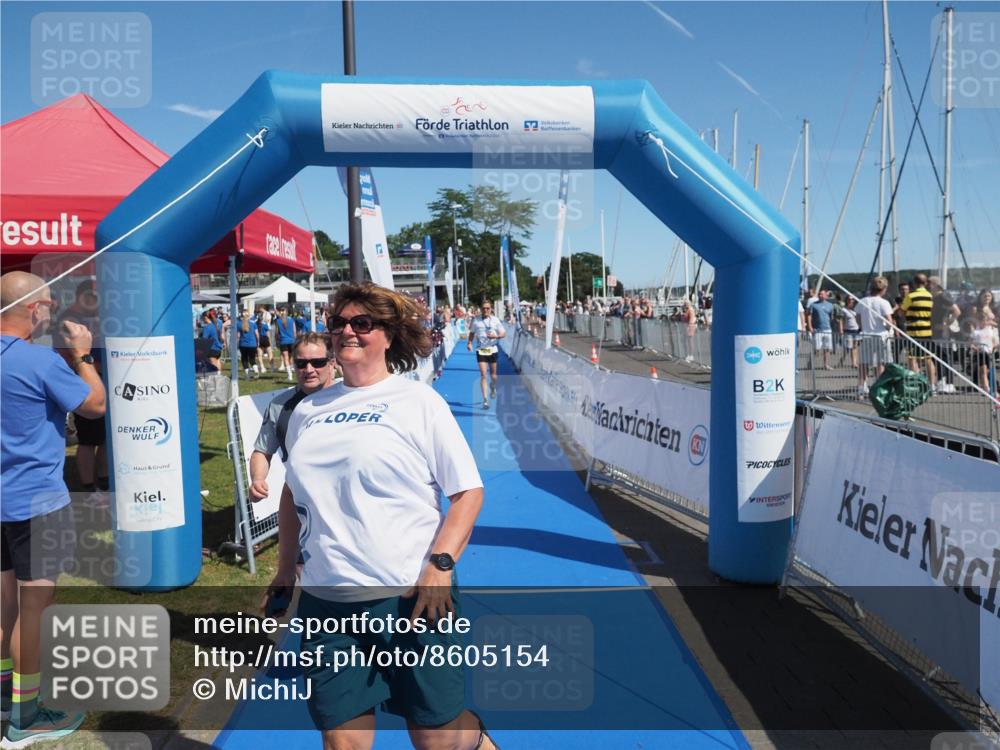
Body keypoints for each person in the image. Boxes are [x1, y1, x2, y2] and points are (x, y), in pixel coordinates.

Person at [264, 283, 497, 750]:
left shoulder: (418, 402)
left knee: (436, 736)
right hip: (327, 602)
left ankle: (475, 739)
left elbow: (468, 492)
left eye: (361, 323)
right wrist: (286, 565)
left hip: (410, 597)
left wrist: (440, 565)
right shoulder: (307, 410)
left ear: (387, 336)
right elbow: (291, 490)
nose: (346, 331)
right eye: (339, 324)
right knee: (342, 740)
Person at [1, 272, 106, 747]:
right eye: (48, 304)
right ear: (35, 310)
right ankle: (26, 719)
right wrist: (83, 353)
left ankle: (7, 696)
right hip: (36, 501)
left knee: (5, 604)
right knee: (34, 609)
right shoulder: (40, 361)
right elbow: (96, 406)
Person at [248, 333, 337, 502]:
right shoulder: (279, 406)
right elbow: (262, 451)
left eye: (317, 363)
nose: (309, 370)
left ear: (331, 363)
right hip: (301, 501)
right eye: (301, 363)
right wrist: (258, 480)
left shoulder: (350, 399)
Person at [57, 279, 109, 502]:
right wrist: (93, 366)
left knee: (105, 438)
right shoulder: (69, 321)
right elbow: (66, 357)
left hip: (100, 383)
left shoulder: (90, 319)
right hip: (84, 385)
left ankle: (105, 483)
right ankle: (89, 488)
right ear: (84, 297)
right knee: (88, 440)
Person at [857, 277, 895, 397]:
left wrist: (862, 326)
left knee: (864, 363)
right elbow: (889, 321)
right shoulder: (884, 303)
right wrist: (890, 329)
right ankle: (880, 387)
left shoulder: (863, 301)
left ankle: (861, 387)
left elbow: (857, 317)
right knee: (881, 363)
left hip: (866, 334)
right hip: (881, 335)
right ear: (883, 289)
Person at [467, 301, 506, 410]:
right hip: (481, 350)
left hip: (492, 349)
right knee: (483, 374)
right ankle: (485, 400)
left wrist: (496, 336)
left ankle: (493, 387)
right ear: (481, 309)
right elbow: (472, 333)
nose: (486, 310)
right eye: (484, 308)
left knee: (493, 375)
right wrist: (469, 343)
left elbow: (503, 333)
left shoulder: (495, 320)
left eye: (488, 308)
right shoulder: (476, 320)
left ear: (491, 309)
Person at [902, 273, 937, 389]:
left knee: (912, 359)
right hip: (927, 330)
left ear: (914, 283)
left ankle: (917, 384)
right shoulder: (930, 296)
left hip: (913, 331)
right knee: (928, 359)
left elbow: (902, 311)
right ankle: (932, 385)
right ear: (925, 283)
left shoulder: (911, 296)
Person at [928, 276, 962, 394]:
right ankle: (942, 381)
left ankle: (949, 383)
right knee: (939, 356)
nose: (927, 285)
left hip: (942, 333)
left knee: (946, 356)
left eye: (929, 283)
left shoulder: (943, 296)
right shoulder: (935, 297)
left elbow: (956, 311)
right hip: (935, 331)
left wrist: (946, 324)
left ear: (936, 285)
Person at [807, 290, 835, 369]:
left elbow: (831, 317)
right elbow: (809, 316)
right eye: (819, 294)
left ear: (826, 296)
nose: (820, 295)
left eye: (822, 294)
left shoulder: (830, 305)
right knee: (817, 348)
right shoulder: (813, 305)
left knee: (827, 348)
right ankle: (811, 362)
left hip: (828, 329)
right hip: (817, 330)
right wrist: (810, 327)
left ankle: (825, 364)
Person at [275, 307, 298, 380]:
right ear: (287, 312)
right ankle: (292, 370)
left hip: (283, 341)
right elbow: (294, 332)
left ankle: (289, 375)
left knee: (286, 358)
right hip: (292, 341)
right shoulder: (292, 320)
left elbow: (277, 333)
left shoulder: (278, 321)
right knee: (291, 357)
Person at [237, 310, 260, 380]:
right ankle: (256, 370)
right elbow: (257, 334)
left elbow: (238, 336)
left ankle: (248, 375)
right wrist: (258, 342)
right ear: (249, 315)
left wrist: (237, 343)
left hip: (243, 344)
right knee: (252, 359)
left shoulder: (239, 323)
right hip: (252, 344)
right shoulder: (253, 323)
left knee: (244, 359)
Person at [255, 309, 273, 375]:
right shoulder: (265, 324)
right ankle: (272, 367)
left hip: (259, 339)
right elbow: (268, 334)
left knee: (260, 355)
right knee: (270, 353)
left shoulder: (255, 324)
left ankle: (262, 367)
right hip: (265, 339)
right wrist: (270, 342)